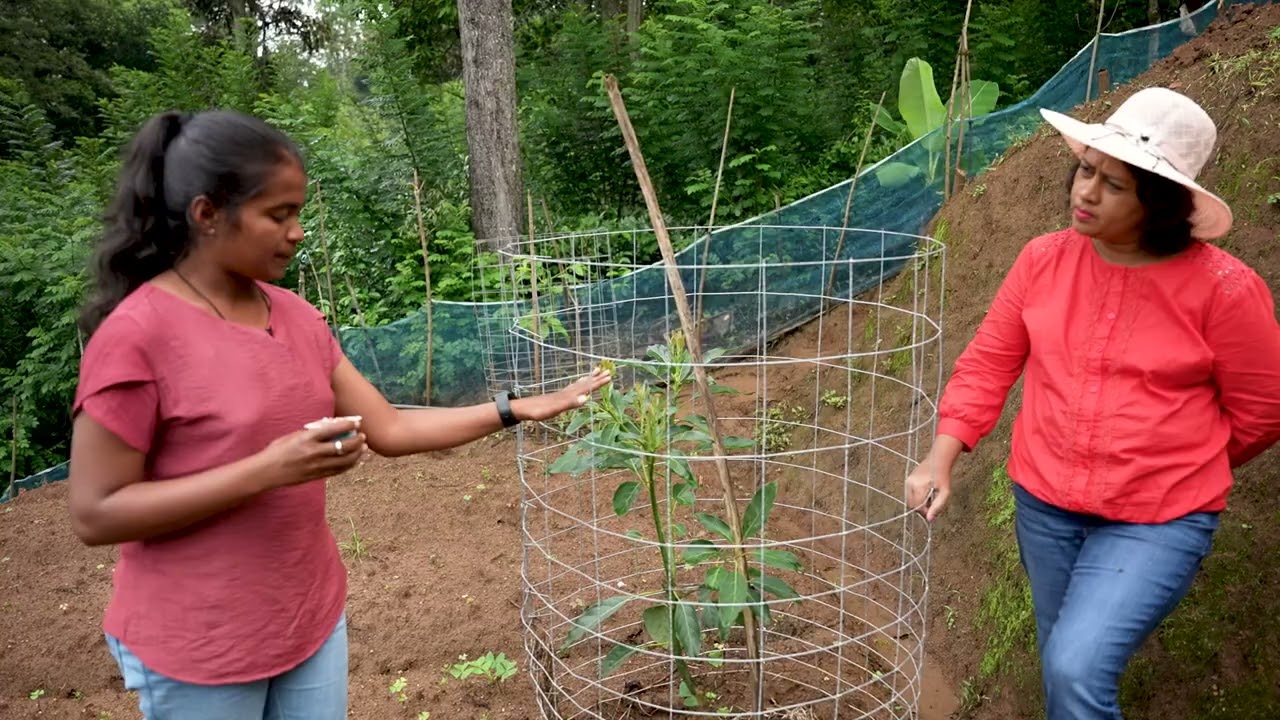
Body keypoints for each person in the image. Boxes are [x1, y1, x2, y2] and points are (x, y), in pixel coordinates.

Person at [67, 109, 610, 720]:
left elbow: (393, 428)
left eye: (297, 211)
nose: (298, 231)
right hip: (200, 644)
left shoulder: (295, 316)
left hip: (308, 619)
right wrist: (268, 469)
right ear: (207, 214)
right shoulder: (137, 336)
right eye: (279, 214)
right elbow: (95, 510)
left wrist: (515, 408)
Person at [905, 87, 1280, 719]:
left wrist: (1181, 467)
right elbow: (988, 363)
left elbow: (1264, 409)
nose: (1086, 192)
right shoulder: (1043, 261)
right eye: (1086, 171)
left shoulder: (1225, 290)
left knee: (1075, 663)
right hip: (1044, 507)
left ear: (1158, 203)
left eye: (1115, 185)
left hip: (1159, 522)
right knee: (1063, 662)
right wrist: (938, 460)